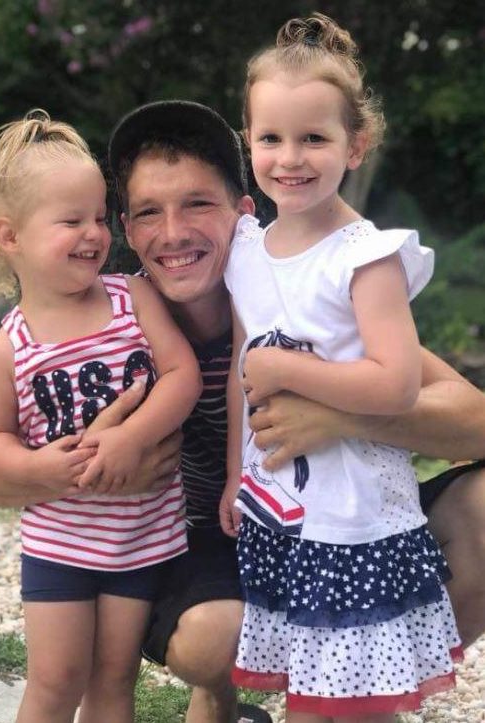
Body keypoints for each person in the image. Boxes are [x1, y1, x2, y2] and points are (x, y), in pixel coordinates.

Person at [0, 99, 485, 723]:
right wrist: (72, 468)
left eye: (199, 204)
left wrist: (347, 416)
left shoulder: (303, 296)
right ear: (126, 227)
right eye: (150, 212)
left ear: (245, 212)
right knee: (213, 634)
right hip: (199, 544)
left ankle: (369, 687)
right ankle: (220, 695)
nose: (173, 233)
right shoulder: (116, 316)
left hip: (340, 521)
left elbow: (470, 415)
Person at [222, 13, 462, 721]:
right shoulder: (247, 250)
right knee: (309, 696)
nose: (289, 158)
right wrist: (237, 475)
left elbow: (397, 382)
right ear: (249, 141)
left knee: (356, 703)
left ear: (355, 146)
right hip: (283, 510)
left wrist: (289, 372)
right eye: (270, 138)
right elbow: (246, 376)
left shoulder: (367, 256)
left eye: (313, 139)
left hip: (354, 519)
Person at [0, 108, 202, 723]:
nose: (95, 233)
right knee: (55, 680)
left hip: (141, 537)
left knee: (113, 680)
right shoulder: (8, 349)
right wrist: (37, 465)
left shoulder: (133, 298)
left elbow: (183, 376)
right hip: (59, 542)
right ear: (10, 237)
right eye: (71, 220)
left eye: (99, 217)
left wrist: (132, 436)